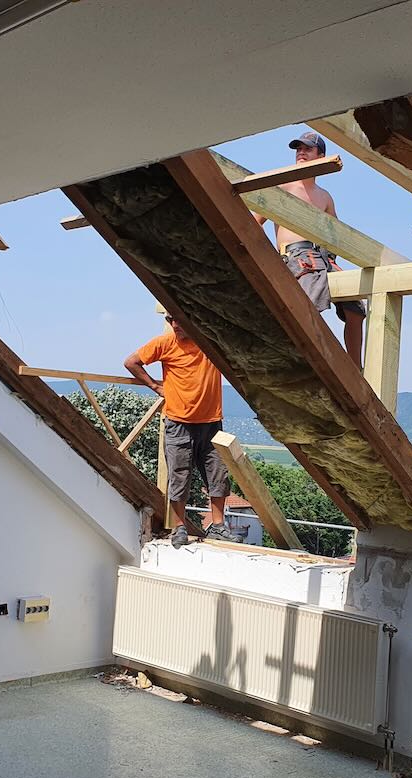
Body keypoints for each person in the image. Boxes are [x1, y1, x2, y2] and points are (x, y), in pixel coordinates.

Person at [251, 131, 367, 366]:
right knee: (308, 305)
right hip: (296, 255)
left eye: (307, 149)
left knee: (355, 307)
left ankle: (355, 370)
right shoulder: (283, 186)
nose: (301, 152)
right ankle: (317, 361)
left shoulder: (325, 197)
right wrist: (268, 259)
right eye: (298, 149)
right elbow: (253, 222)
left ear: (321, 157)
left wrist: (333, 257)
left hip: (323, 258)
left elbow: (336, 236)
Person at [124, 314, 241, 547]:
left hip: (210, 421)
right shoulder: (164, 342)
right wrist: (155, 386)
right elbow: (131, 362)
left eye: (178, 319)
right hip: (178, 422)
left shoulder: (209, 341)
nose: (174, 324)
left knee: (218, 474)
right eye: (170, 320)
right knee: (179, 475)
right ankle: (179, 528)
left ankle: (218, 526)